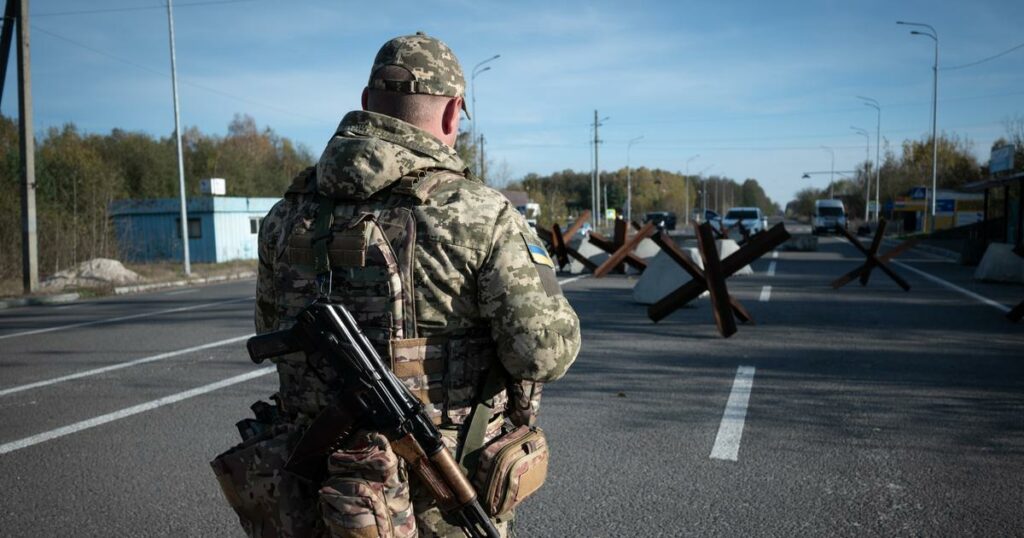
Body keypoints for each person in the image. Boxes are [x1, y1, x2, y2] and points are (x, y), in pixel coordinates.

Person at [212, 32, 580, 538]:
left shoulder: (284, 216)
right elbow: (543, 355)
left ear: (366, 105)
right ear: (452, 114)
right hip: (434, 501)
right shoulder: (480, 215)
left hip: (310, 492)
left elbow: (272, 331)